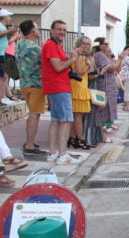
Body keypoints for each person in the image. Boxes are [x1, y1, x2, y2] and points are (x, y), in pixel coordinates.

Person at [41, 20, 81, 165]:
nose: (62, 32)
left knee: (56, 120)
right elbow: (58, 67)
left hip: (56, 87)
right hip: (59, 87)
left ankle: (53, 152)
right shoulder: (51, 45)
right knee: (66, 120)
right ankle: (62, 154)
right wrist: (72, 59)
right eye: (59, 29)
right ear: (52, 30)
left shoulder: (54, 45)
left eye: (64, 30)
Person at [15, 20, 46, 155]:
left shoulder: (19, 45)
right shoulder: (36, 48)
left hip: (24, 84)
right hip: (36, 84)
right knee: (35, 114)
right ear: (33, 32)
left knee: (31, 113)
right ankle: (29, 144)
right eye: (37, 29)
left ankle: (30, 141)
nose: (38, 31)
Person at [93, 42, 123, 139]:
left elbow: (116, 69)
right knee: (101, 110)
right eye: (105, 44)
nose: (108, 46)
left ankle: (102, 133)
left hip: (109, 87)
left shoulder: (105, 57)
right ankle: (102, 135)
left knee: (105, 110)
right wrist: (121, 58)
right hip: (103, 87)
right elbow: (112, 68)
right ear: (100, 45)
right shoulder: (99, 56)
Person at [69, 36, 94, 150]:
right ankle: (80, 139)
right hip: (78, 87)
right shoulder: (79, 57)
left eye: (88, 44)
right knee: (78, 116)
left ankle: (73, 138)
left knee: (78, 116)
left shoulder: (82, 57)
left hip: (82, 86)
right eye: (84, 43)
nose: (86, 46)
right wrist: (88, 66)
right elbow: (79, 73)